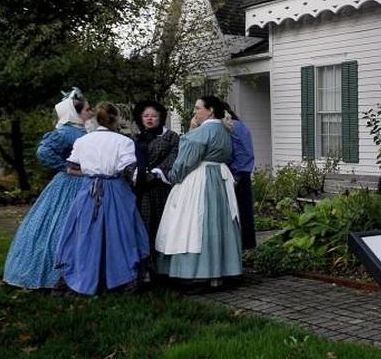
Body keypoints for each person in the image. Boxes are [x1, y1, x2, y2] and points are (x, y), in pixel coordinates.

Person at [54, 102, 150, 295]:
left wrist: (93, 172)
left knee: (85, 233)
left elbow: (71, 168)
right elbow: (130, 170)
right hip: (116, 189)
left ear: (96, 119)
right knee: (121, 232)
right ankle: (123, 278)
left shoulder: (83, 141)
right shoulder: (123, 141)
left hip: (89, 189)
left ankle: (83, 276)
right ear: (116, 119)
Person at [2, 89, 92, 289]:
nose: (90, 112)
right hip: (70, 184)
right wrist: (66, 167)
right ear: (76, 113)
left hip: (82, 181)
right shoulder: (67, 132)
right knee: (62, 224)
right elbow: (43, 152)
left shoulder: (80, 131)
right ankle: (54, 274)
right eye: (87, 109)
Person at [154, 95, 242, 285]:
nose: (194, 112)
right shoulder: (225, 131)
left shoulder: (199, 134)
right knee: (218, 222)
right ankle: (220, 271)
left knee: (194, 223)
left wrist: (172, 176)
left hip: (200, 179)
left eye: (197, 108)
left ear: (210, 111)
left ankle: (197, 272)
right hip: (219, 179)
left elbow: (184, 163)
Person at [131, 101, 180, 261]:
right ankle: (145, 263)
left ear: (161, 117)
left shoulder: (171, 137)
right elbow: (128, 160)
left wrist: (155, 173)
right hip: (140, 188)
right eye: (146, 116)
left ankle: (163, 263)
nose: (149, 119)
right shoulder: (137, 138)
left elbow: (173, 158)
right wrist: (135, 174)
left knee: (162, 224)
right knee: (143, 224)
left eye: (154, 116)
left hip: (161, 187)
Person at [225, 104, 256, 250]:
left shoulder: (233, 126)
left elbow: (242, 153)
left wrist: (235, 174)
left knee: (238, 212)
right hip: (242, 172)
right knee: (243, 211)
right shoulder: (240, 125)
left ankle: (241, 245)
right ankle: (245, 245)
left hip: (237, 173)